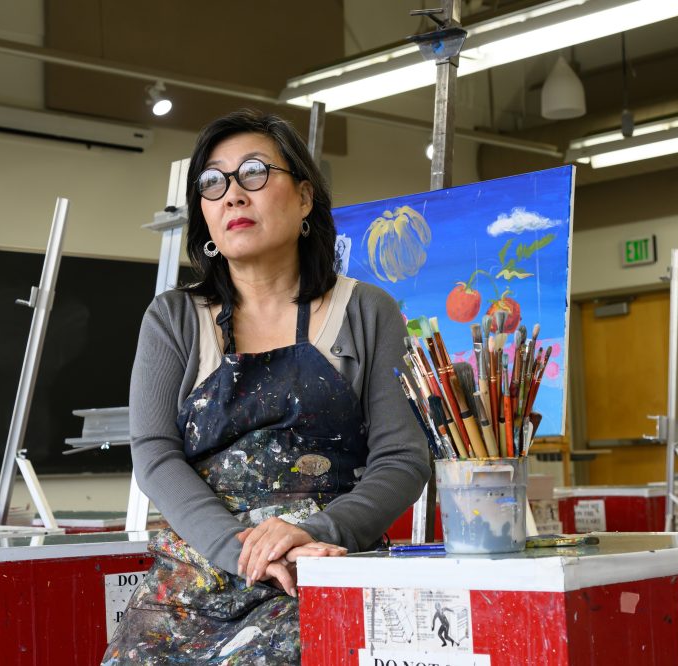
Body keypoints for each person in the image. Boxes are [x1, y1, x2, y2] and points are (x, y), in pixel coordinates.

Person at [103, 109, 431, 665]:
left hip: (321, 566)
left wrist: (318, 534)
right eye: (213, 182)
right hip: (198, 574)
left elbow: (402, 458)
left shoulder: (367, 312)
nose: (232, 195)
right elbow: (155, 455)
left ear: (305, 198)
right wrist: (239, 549)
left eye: (254, 172)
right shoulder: (174, 319)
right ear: (203, 215)